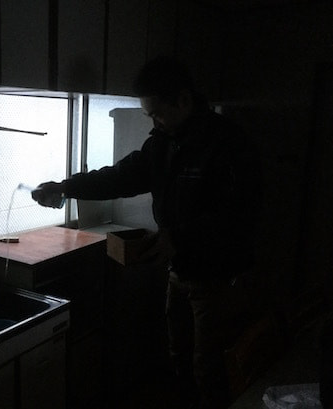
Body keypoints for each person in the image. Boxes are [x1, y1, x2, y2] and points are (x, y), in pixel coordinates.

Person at [32, 56, 262, 409]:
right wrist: (65, 187)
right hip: (179, 274)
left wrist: (179, 238)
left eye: (157, 114)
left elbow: (239, 216)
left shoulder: (228, 143)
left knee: (211, 368)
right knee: (179, 358)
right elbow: (119, 177)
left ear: (183, 100)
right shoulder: (163, 144)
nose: (154, 122)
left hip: (218, 280)